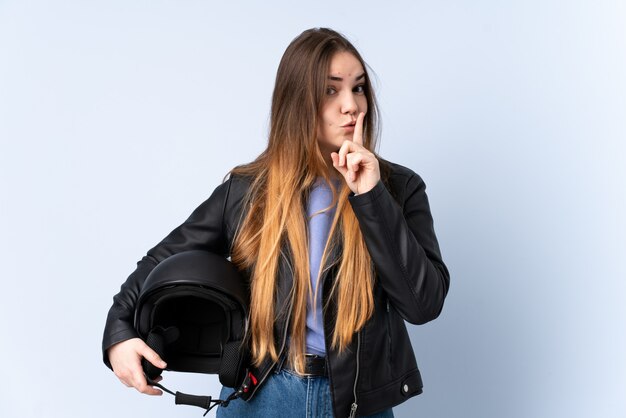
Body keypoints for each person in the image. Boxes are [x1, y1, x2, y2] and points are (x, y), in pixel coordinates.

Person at [102, 27, 450, 418]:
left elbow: (423, 305)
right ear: (297, 101)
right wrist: (118, 334)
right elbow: (158, 262)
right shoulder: (248, 190)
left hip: (355, 403)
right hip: (263, 396)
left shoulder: (398, 189)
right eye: (331, 90)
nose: (352, 105)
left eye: (359, 88)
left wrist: (371, 198)